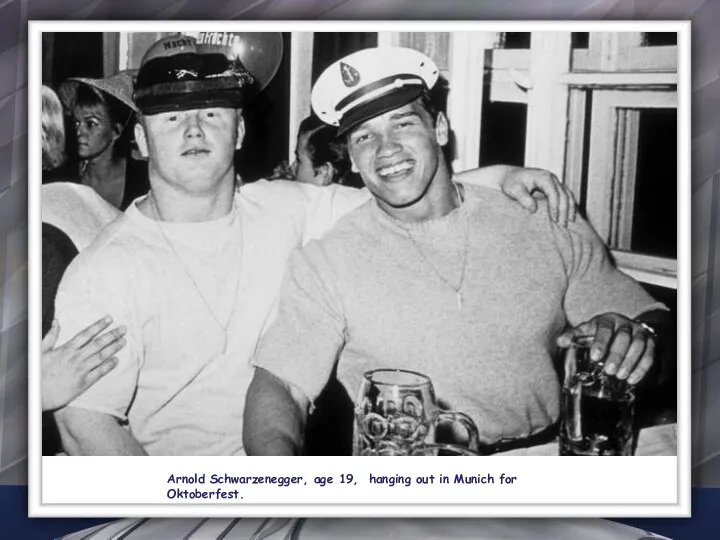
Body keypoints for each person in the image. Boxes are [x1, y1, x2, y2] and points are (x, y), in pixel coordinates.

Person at [51, 34, 576, 457]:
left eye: (212, 112)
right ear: (140, 141)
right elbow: (86, 425)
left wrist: (499, 175)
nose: (194, 128)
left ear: (238, 132)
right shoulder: (108, 271)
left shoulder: (286, 206)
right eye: (170, 117)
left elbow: (396, 192)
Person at [243, 47, 673, 456]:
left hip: (540, 461)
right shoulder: (327, 260)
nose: (386, 149)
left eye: (403, 124)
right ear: (352, 160)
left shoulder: (540, 218)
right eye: (363, 137)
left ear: (441, 129)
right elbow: (280, 385)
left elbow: (652, 326)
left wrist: (640, 340)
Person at [51, 71, 150, 210]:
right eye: (76, 122)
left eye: (91, 123)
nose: (79, 132)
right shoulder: (64, 177)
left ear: (116, 131)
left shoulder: (143, 179)